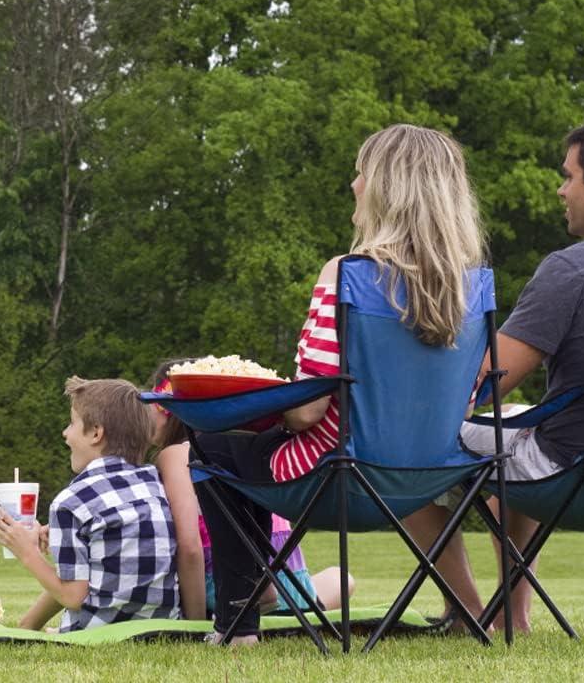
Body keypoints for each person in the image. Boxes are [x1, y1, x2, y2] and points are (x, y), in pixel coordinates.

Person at [193, 124, 487, 644]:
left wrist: (256, 400)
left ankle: (239, 622)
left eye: (360, 174)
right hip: (424, 476)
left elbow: (307, 413)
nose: (353, 185)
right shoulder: (468, 290)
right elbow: (461, 404)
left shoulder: (347, 275)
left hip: (334, 474)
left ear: (385, 188)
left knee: (212, 446)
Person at [405, 117, 584, 634]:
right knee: (513, 428)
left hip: (576, 475)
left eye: (568, 176)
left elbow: (481, 384)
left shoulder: (574, 268)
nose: (562, 190)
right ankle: (513, 615)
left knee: (404, 443)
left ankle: (472, 613)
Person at [147, 359, 355, 621]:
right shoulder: (247, 449)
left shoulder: (176, 455)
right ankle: (291, 609)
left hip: (234, 589)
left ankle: (246, 610)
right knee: (341, 577)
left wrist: (194, 622)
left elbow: (190, 548)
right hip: (293, 589)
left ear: (164, 407)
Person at [0, 376, 181, 631]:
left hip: (98, 631)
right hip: (159, 628)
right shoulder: (154, 484)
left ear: (95, 432)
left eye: (72, 423)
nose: (65, 433)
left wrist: (27, 552)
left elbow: (73, 596)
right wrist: (28, 625)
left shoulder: (72, 502)